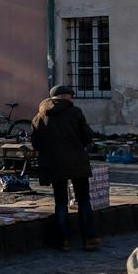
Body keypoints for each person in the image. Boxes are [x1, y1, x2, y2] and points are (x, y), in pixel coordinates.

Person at [31, 84, 100, 251]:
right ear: (64, 97)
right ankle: (89, 239)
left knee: (60, 202)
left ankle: (64, 240)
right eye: (70, 96)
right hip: (76, 161)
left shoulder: (39, 116)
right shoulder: (74, 113)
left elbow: (35, 143)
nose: (72, 99)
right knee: (83, 200)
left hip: (54, 164)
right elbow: (87, 136)